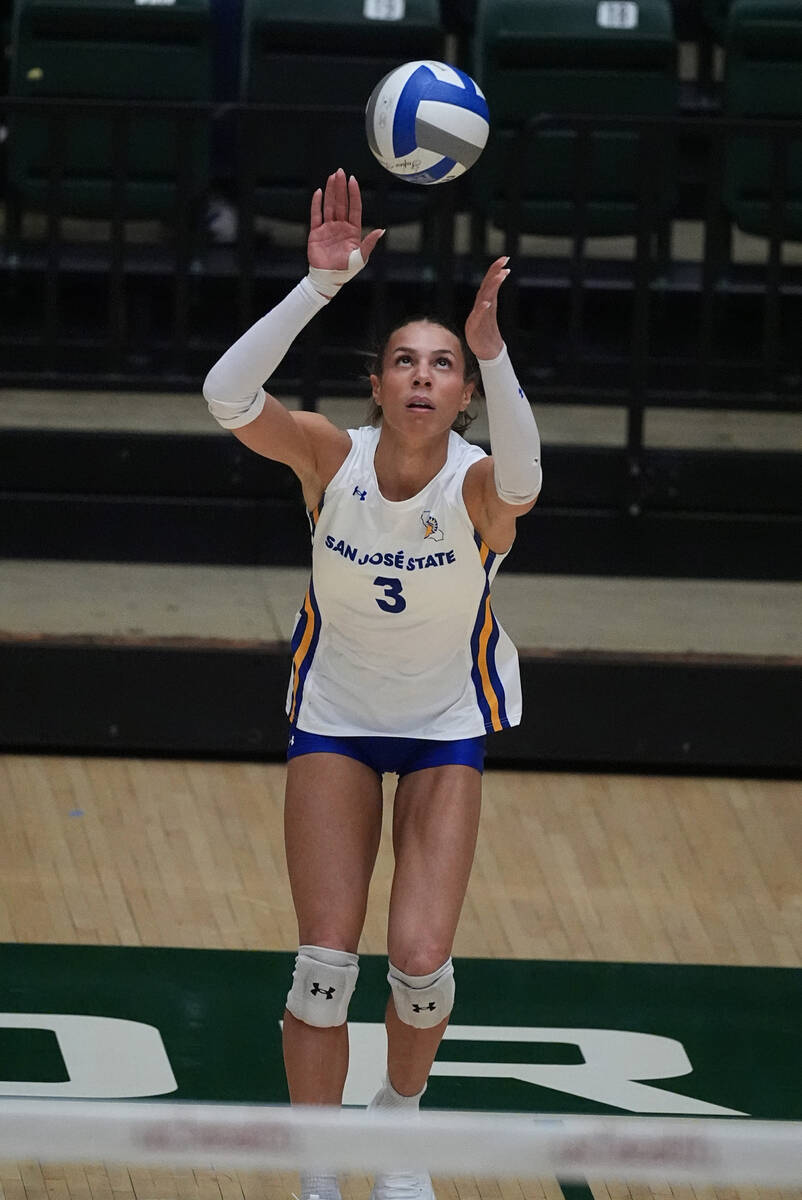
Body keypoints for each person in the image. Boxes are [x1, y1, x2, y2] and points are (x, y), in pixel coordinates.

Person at [203, 168, 542, 1200]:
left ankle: (398, 1122)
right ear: (379, 386)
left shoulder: (478, 483)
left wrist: (499, 354)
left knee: (420, 962)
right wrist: (317, 287)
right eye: (407, 361)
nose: (425, 377)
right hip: (339, 718)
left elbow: (525, 483)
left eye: (445, 365)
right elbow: (226, 397)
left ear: (463, 394)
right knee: (322, 963)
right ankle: (317, 1170)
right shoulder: (327, 458)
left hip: (443, 724)